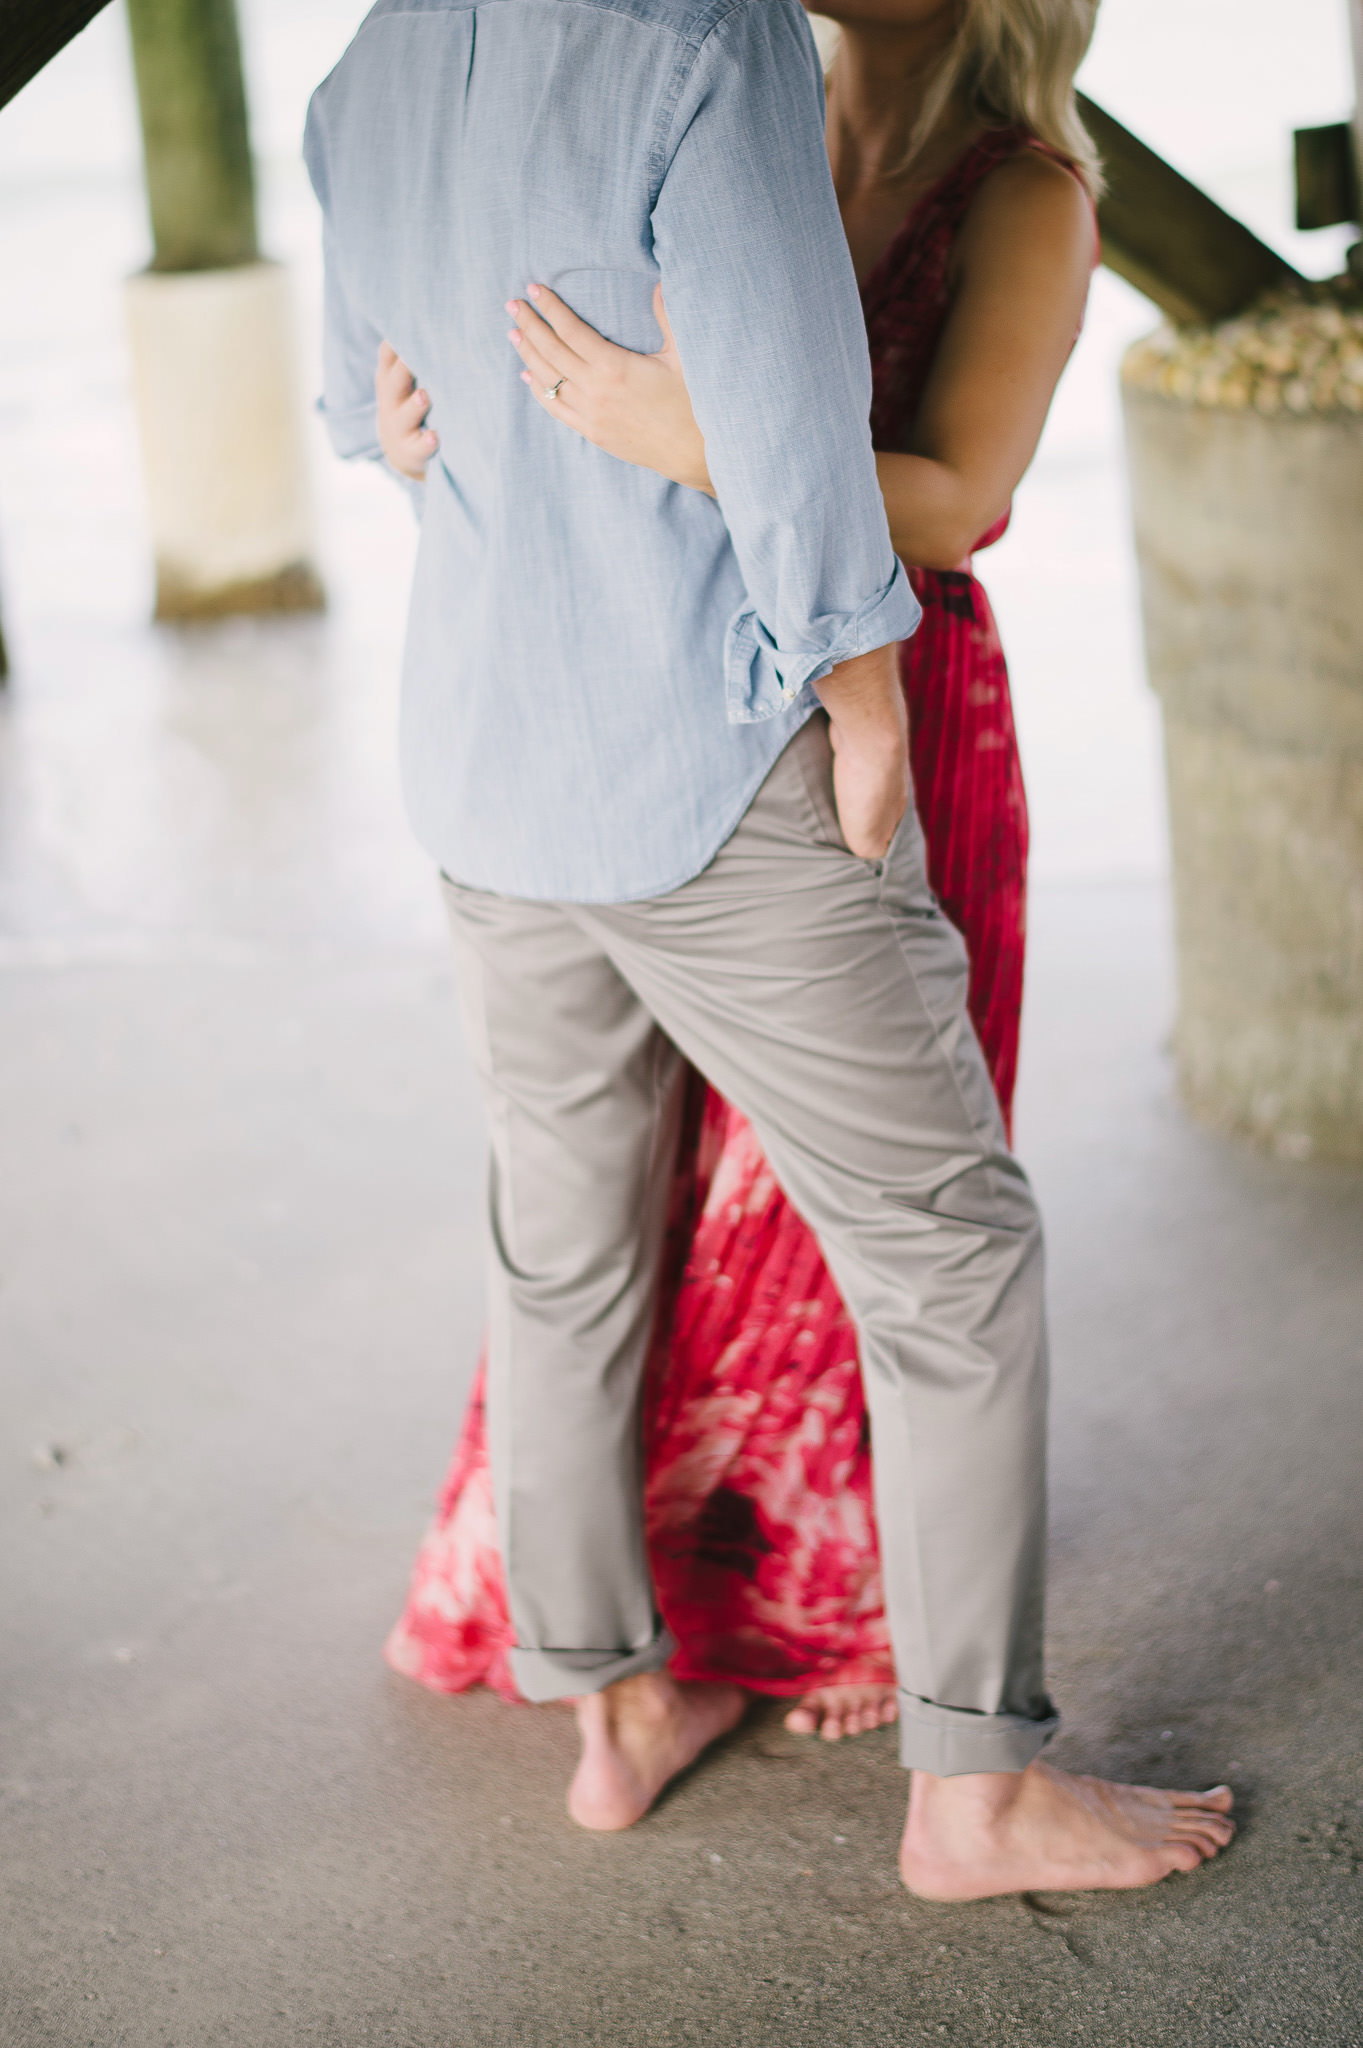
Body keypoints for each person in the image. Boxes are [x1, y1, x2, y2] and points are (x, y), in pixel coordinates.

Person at [307, 0, 1233, 1896]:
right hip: (705, 764)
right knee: (951, 1252)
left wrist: (426, 436)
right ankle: (973, 1796)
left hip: (485, 761)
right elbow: (802, 474)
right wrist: (863, 701)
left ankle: (612, 1706)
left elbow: (361, 409)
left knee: (565, 1246)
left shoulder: (379, 55)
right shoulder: (705, 43)